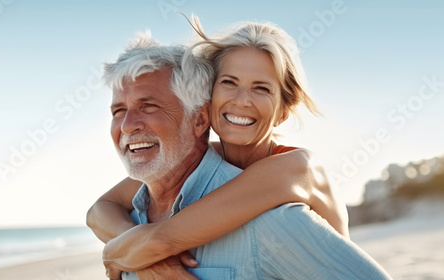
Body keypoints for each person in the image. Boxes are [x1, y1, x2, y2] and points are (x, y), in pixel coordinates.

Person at [93, 24, 391, 279]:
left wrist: (134, 254)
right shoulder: (188, 164)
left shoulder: (297, 169)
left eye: (261, 88)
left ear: (284, 111)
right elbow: (99, 209)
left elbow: (162, 239)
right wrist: (143, 258)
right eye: (229, 82)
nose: (242, 101)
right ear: (208, 101)